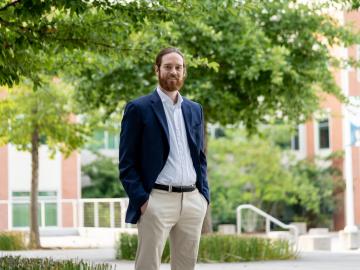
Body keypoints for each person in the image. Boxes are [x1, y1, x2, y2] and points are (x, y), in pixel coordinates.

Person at [119, 47, 210, 270]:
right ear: (157, 70)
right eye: (168, 67)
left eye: (178, 67)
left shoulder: (194, 109)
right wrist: (143, 201)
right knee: (147, 266)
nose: (174, 72)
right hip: (156, 200)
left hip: (191, 201)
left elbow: (199, 156)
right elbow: (126, 163)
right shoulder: (138, 108)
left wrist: (203, 196)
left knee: (185, 267)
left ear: (184, 72)